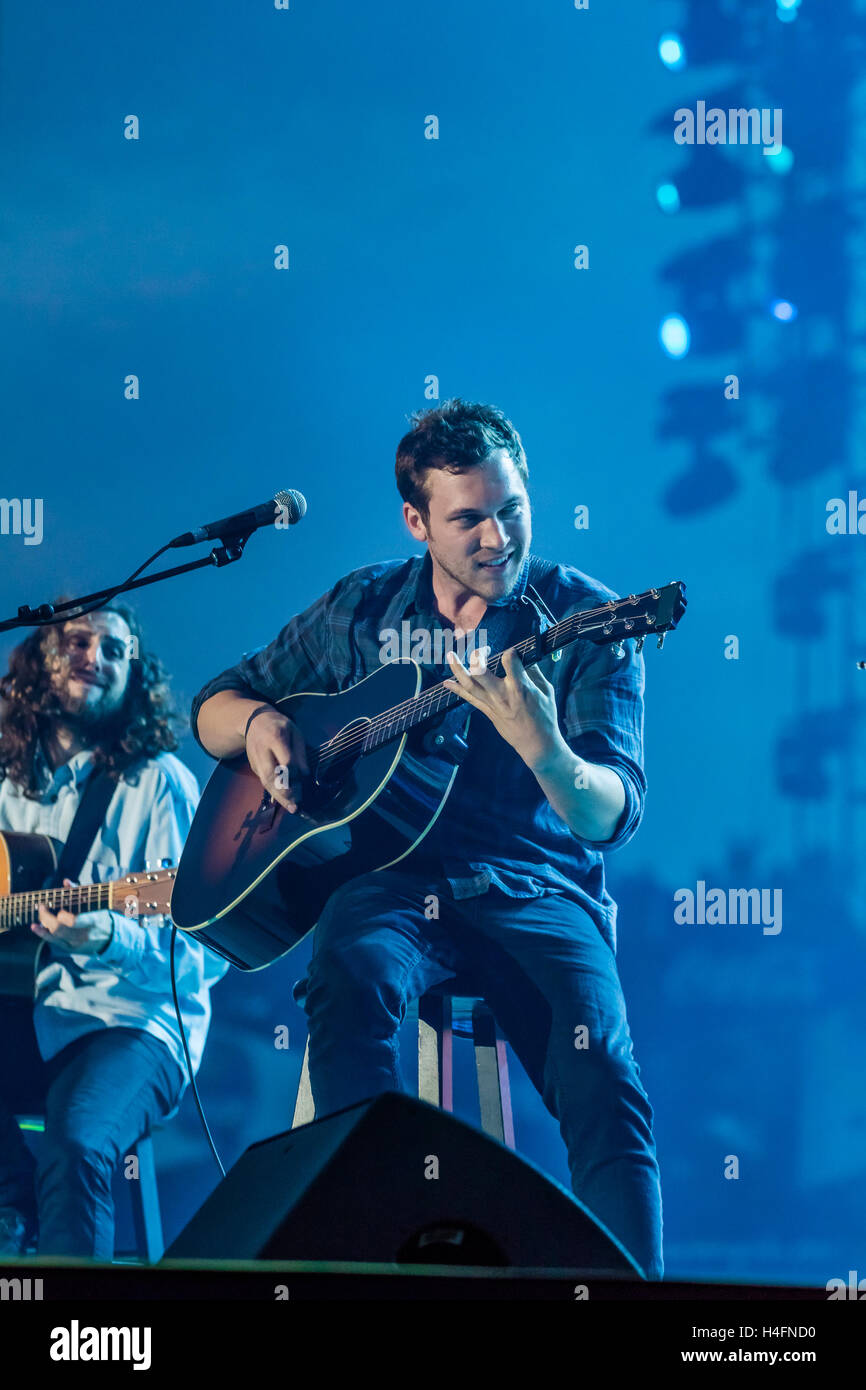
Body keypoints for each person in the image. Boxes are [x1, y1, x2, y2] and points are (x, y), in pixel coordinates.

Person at [191, 399, 663, 1279]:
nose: (497, 536)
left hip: (536, 887)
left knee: (605, 1079)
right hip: (392, 883)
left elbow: (610, 814)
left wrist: (547, 750)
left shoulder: (590, 620)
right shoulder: (362, 608)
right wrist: (260, 723)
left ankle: (636, 1309)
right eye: (468, 518)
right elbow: (213, 705)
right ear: (416, 521)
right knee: (348, 975)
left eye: (511, 508)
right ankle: (371, 1251)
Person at [0, 601, 227, 1259]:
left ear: (135, 674)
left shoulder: (162, 786)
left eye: (112, 649)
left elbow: (200, 955)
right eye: (75, 642)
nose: (93, 658)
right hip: (21, 1012)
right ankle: (13, 1211)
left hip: (129, 1025)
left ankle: (79, 1329)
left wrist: (106, 937)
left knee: (75, 1144)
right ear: (39, 657)